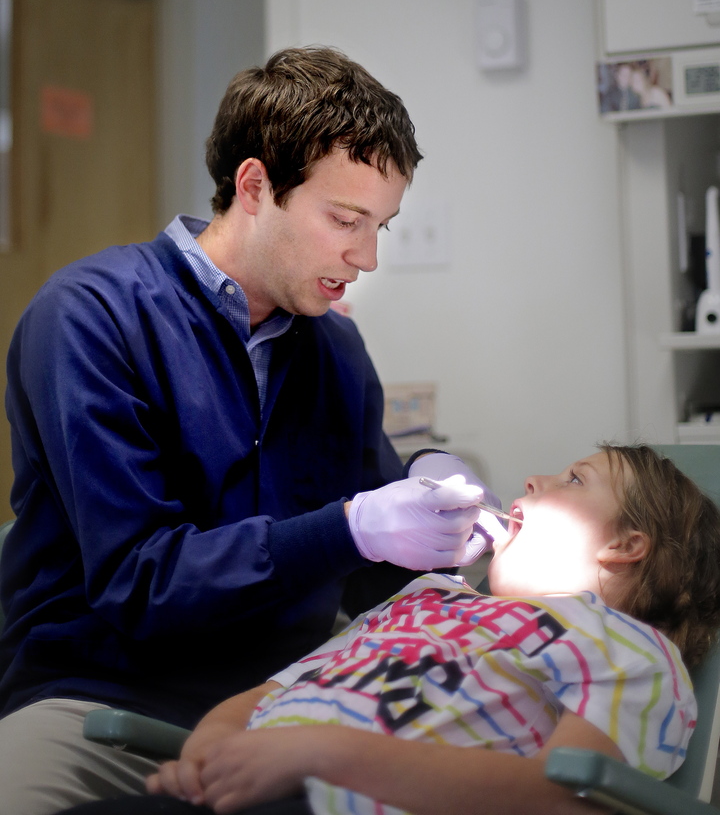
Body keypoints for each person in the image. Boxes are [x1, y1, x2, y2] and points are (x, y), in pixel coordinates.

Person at [0, 45, 503, 814]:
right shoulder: (92, 319)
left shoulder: (334, 348)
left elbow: (370, 573)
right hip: (93, 704)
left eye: (381, 227)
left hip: (280, 709)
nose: (365, 257)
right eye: (344, 220)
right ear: (255, 185)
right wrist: (353, 529)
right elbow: (144, 581)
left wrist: (441, 522)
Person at [56, 443, 720, 815]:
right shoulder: (427, 599)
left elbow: (563, 796)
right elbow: (264, 698)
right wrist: (211, 753)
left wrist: (320, 755)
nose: (534, 477)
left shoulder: (629, 647)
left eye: (575, 478)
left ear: (626, 546)